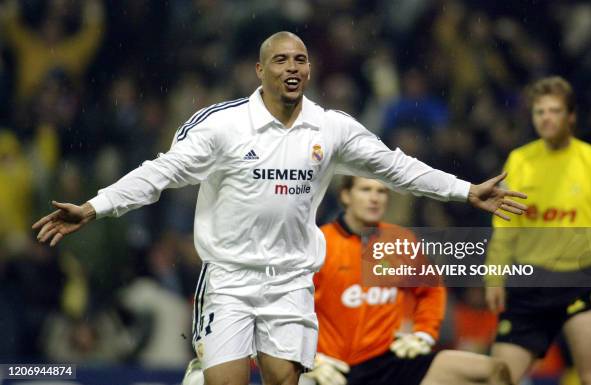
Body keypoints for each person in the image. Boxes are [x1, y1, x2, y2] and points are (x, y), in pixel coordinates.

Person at [33, 31, 527, 385]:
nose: (293, 68)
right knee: (226, 382)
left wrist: (465, 191)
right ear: (260, 70)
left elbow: (396, 167)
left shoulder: (330, 127)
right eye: (282, 60)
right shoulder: (222, 126)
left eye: (301, 60)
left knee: (282, 381)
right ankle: (205, 367)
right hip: (229, 275)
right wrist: (95, 207)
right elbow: (159, 173)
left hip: (290, 280)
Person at [298, 176, 512, 385]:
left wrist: (424, 333)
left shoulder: (400, 240)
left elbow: (432, 288)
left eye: (381, 191)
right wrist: (308, 358)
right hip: (335, 370)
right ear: (345, 195)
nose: (375, 198)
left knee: (494, 371)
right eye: (366, 190)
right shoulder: (320, 244)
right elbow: (290, 307)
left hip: (391, 361)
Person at [485, 76, 591, 385]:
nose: (546, 118)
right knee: (497, 378)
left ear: (571, 116)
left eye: (554, 110)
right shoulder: (520, 160)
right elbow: (505, 225)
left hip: (582, 281)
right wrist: (493, 276)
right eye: (540, 112)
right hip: (530, 283)